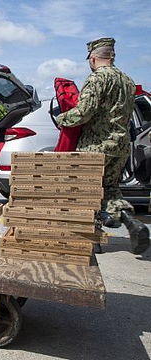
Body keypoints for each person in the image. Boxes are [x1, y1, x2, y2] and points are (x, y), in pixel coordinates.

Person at [56, 37, 149, 255]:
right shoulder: (127, 80)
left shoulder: (97, 79)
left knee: (85, 193)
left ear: (94, 58)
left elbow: (84, 111)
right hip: (120, 145)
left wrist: (61, 119)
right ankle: (131, 221)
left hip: (95, 147)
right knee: (110, 188)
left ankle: (92, 241)